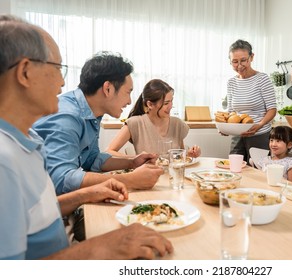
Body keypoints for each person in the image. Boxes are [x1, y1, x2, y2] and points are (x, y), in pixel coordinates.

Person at [0, 15, 173, 259]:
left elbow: (37, 211)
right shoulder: (7, 159)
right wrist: (100, 246)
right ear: (25, 72)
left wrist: (114, 174)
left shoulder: (27, 140)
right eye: (57, 68)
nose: (62, 82)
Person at [33, 52, 164, 195]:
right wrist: (130, 179)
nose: (129, 101)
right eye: (128, 92)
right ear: (108, 88)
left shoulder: (92, 113)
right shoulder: (67, 116)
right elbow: (61, 180)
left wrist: (132, 162)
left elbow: (91, 159)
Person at [106, 79, 201, 157]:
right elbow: (109, 151)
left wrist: (189, 154)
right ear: (150, 104)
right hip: (146, 178)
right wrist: (135, 159)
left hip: (172, 178)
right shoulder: (135, 123)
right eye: (166, 103)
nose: (170, 106)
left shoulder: (177, 124)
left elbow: (178, 157)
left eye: (171, 101)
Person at [226, 39, 277, 162]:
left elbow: (272, 110)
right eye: (234, 61)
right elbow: (231, 112)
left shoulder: (262, 79)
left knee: (258, 172)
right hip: (237, 136)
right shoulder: (231, 82)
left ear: (251, 57)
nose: (239, 65)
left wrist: (259, 125)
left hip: (259, 135)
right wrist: (225, 128)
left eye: (243, 60)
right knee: (234, 168)